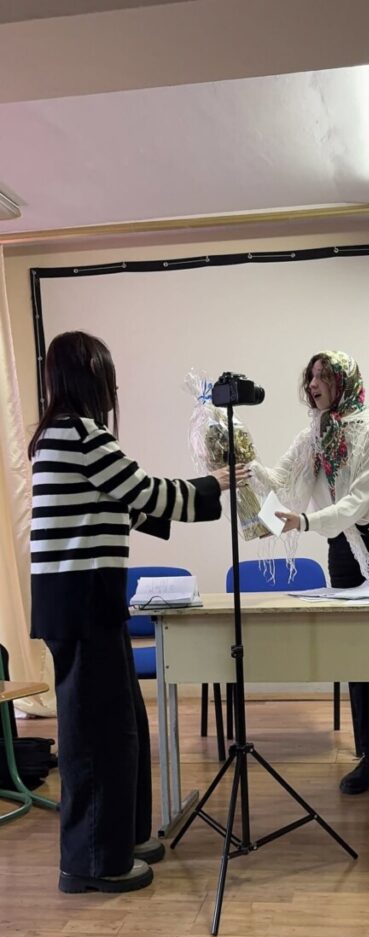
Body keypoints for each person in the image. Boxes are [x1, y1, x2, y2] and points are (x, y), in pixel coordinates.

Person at [28, 331, 249, 895]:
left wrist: (199, 491)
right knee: (97, 735)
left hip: (86, 600)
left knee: (122, 723)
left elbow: (122, 504)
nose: (115, 388)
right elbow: (145, 492)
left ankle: (122, 836)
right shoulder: (80, 433)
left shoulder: (63, 435)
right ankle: (91, 862)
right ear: (88, 377)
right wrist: (215, 484)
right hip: (81, 601)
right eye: (109, 375)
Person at [250, 351, 369, 798]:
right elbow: (279, 477)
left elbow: (356, 502)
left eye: (321, 377)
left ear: (343, 381)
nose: (312, 385)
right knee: (357, 653)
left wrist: (304, 521)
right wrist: (241, 462)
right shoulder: (315, 432)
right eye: (310, 377)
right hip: (343, 549)